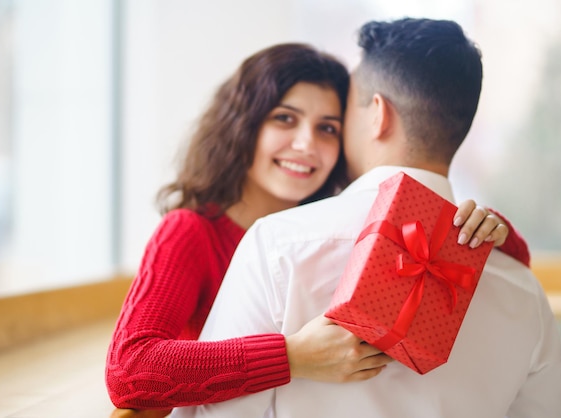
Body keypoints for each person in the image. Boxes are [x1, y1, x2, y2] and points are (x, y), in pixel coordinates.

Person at [105, 43, 530, 417]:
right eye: (285, 119)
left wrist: (489, 226)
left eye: (327, 128)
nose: (307, 144)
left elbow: (513, 264)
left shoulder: (346, 227)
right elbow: (129, 370)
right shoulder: (190, 231)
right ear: (242, 125)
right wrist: (292, 357)